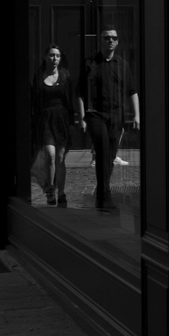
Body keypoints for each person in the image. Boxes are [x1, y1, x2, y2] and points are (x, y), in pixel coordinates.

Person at [78, 26, 139, 211]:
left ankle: (101, 193)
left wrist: (137, 115)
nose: (110, 41)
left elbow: (132, 91)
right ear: (101, 41)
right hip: (96, 115)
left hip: (116, 116)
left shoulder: (123, 64)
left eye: (113, 38)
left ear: (118, 42)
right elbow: (80, 92)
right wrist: (82, 117)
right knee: (103, 152)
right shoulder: (90, 63)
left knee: (110, 156)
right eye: (106, 38)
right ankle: (105, 197)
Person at [31, 44, 74, 207]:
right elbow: (35, 101)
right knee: (49, 155)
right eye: (51, 55)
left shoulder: (65, 76)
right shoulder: (38, 77)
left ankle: (61, 192)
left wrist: (73, 121)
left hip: (61, 118)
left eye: (57, 56)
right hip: (45, 118)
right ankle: (50, 190)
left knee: (60, 158)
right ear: (44, 57)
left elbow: (69, 101)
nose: (54, 58)